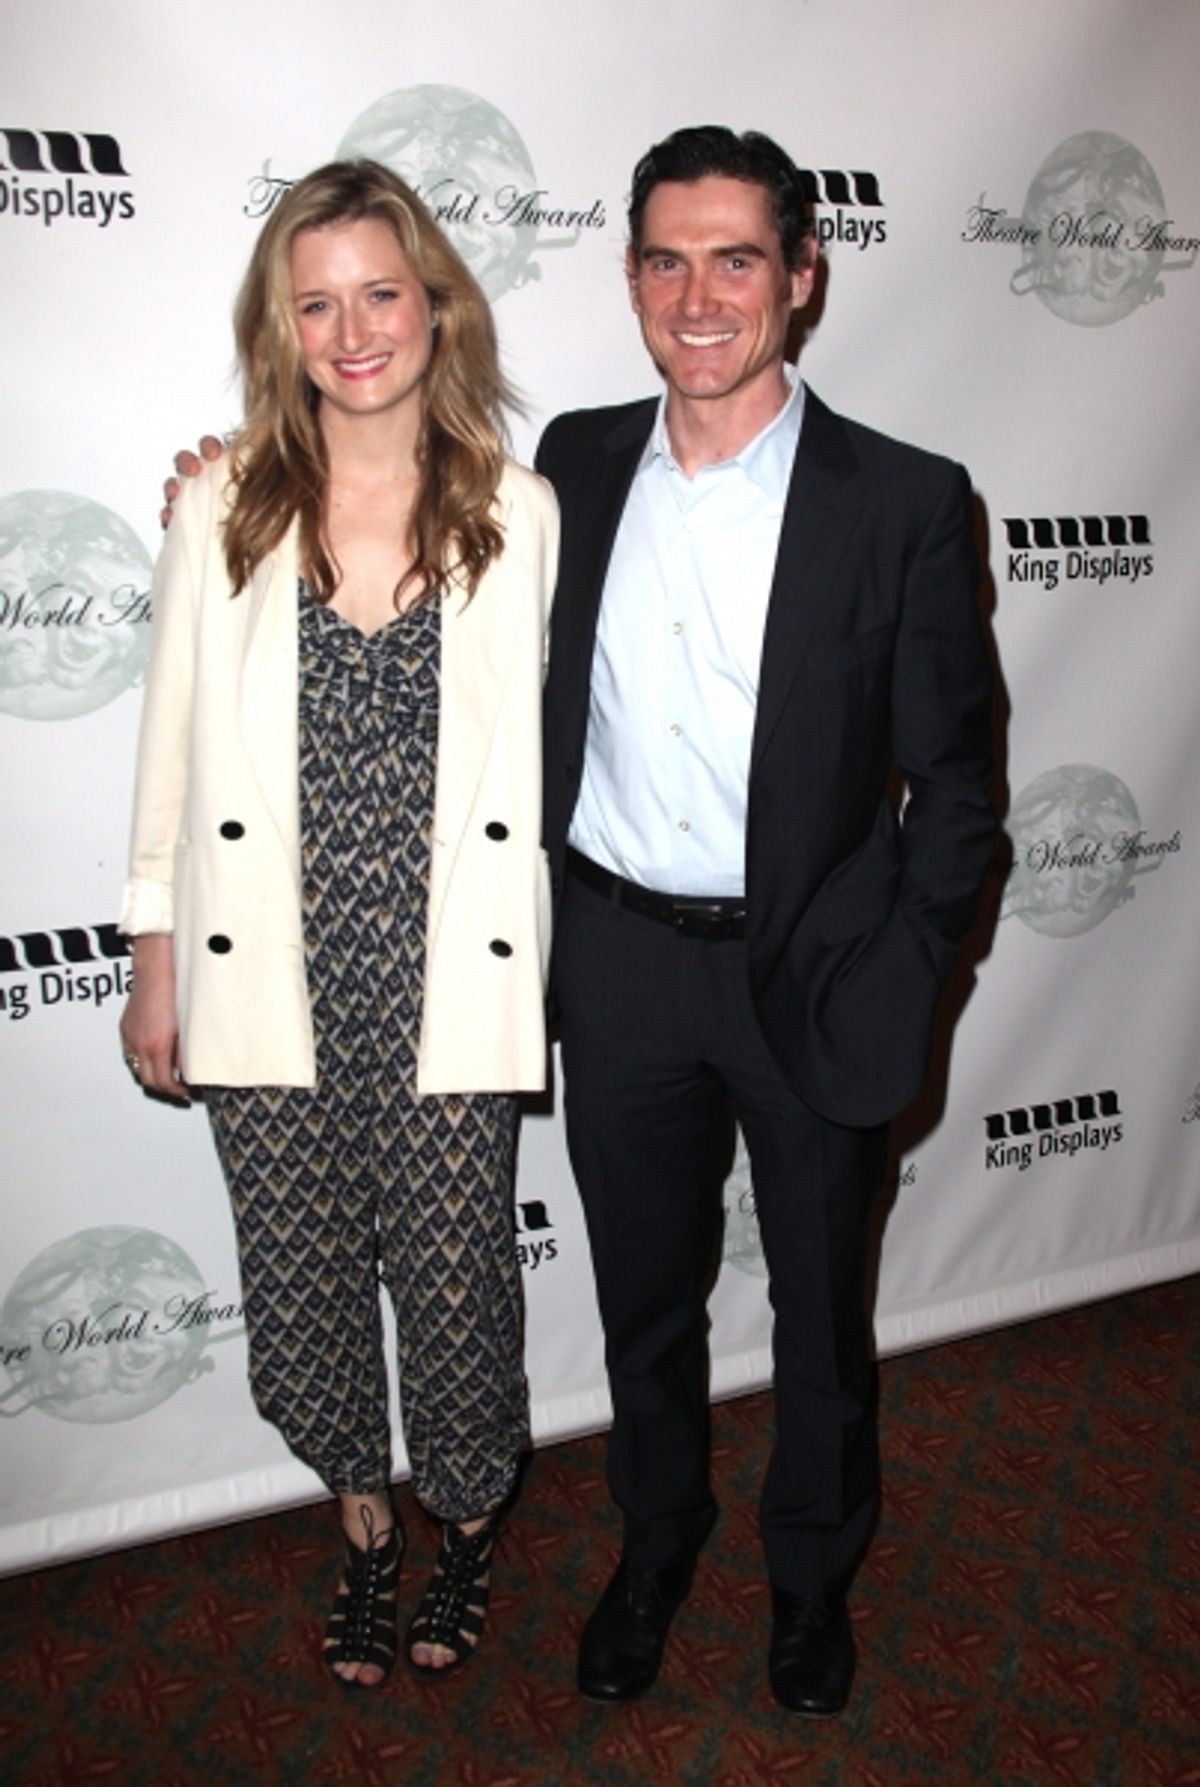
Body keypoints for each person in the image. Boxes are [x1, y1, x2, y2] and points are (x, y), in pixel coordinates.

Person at [535, 125, 996, 1715]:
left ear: (803, 275)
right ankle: (654, 1544)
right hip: (616, 962)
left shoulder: (906, 500)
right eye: (666, 261)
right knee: (643, 1302)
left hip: (818, 970)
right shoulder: (572, 464)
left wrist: (905, 971)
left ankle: (811, 1578)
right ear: (630, 278)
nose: (699, 298)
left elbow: (960, 785)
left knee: (821, 1317)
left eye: (737, 259)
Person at [119, 159, 558, 1692]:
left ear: (436, 307)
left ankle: (467, 1521)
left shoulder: (519, 511)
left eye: (382, 293)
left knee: (456, 1287)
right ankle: (366, 1527)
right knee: (302, 1284)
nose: (354, 331)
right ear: (282, 328)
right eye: (317, 304)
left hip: (449, 977)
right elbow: (168, 754)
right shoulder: (218, 503)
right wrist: (153, 959)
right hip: (266, 970)